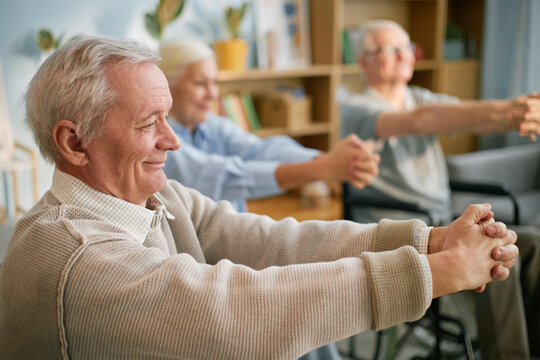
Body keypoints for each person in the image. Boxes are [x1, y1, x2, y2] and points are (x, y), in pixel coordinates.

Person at [0, 36, 518, 359]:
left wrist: (430, 241)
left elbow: (272, 243)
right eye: (148, 124)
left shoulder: (158, 198)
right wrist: (440, 272)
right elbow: (239, 317)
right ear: (74, 142)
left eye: (168, 117)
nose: (172, 139)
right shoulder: (78, 257)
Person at [340, 19, 540, 359]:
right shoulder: (356, 108)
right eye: (388, 50)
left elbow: (461, 116)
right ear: (363, 62)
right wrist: (506, 111)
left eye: (406, 47)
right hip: (398, 226)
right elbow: (423, 120)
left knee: (531, 243)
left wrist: (515, 114)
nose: (402, 55)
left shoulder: (419, 96)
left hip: (441, 220)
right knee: (495, 251)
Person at [160, 39, 380, 213]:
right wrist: (324, 168)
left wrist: (327, 160)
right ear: (167, 86)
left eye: (215, 83)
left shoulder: (214, 126)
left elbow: (262, 149)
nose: (213, 94)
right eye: (200, 83)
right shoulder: (159, 141)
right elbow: (226, 177)